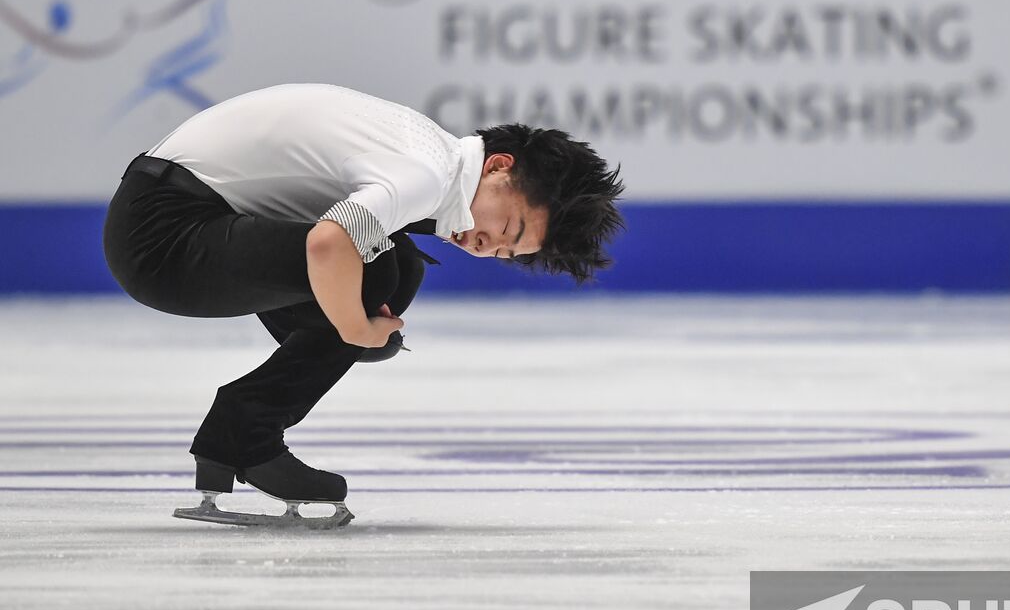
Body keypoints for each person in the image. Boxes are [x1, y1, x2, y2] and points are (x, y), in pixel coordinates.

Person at [102, 83, 624, 528]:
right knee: (373, 271)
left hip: (179, 211)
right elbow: (328, 243)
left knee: (396, 265)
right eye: (507, 227)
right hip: (162, 238)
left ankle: (235, 431)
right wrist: (355, 330)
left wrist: (355, 329)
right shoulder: (424, 173)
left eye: (508, 251)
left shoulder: (432, 152)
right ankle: (246, 435)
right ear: (500, 166)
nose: (489, 246)